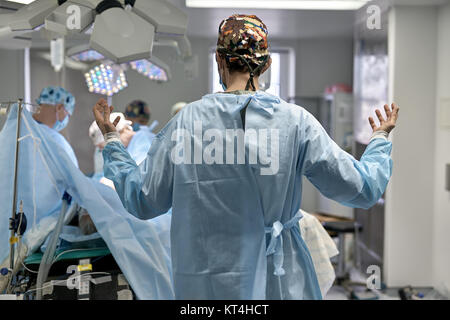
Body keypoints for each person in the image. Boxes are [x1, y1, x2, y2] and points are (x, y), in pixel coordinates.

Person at [93, 14, 399, 300]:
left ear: (219, 60)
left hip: (206, 281)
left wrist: (112, 142)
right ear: (265, 65)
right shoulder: (295, 122)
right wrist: (380, 140)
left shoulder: (187, 122)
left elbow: (143, 199)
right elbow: (362, 188)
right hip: (277, 279)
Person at [33, 86, 78, 167]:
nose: (66, 119)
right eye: (67, 114)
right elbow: (73, 177)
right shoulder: (57, 142)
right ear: (59, 108)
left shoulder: (19, 125)